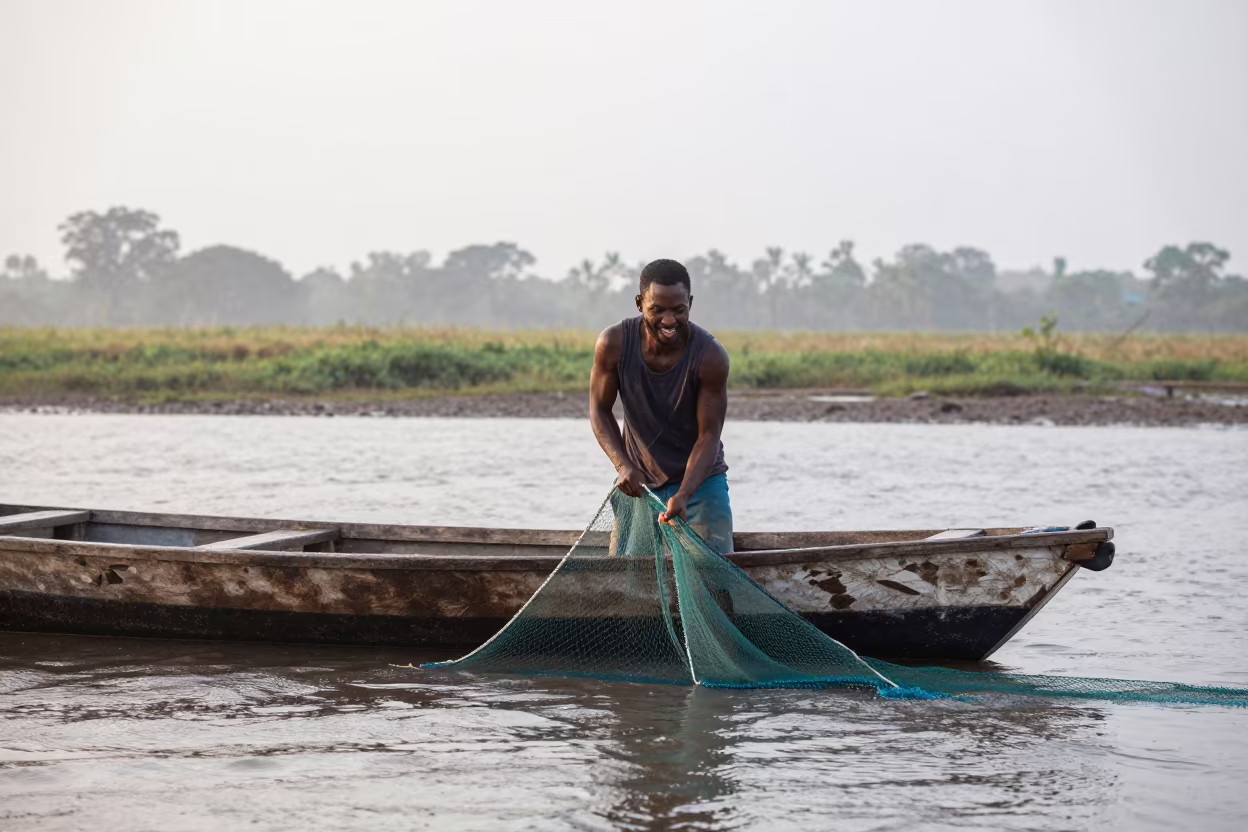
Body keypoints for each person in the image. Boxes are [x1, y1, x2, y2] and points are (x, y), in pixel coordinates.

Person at [589, 258, 734, 554]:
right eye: (657, 310)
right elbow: (600, 410)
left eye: (678, 310)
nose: (669, 321)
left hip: (700, 483)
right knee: (627, 578)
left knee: (714, 576)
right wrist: (623, 466)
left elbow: (709, 436)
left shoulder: (709, 356)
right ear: (640, 303)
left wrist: (684, 493)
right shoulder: (613, 344)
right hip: (638, 482)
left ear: (690, 304)